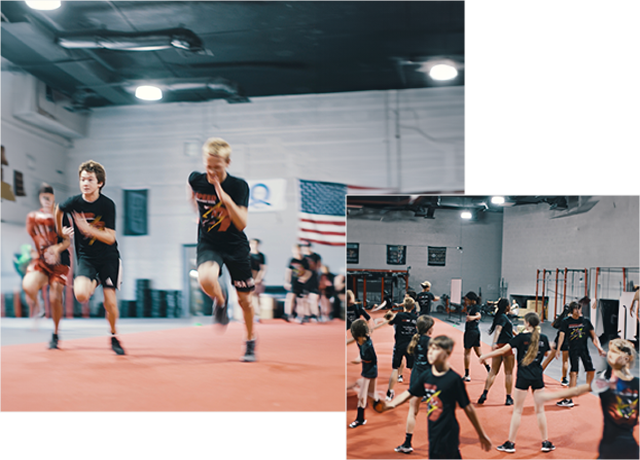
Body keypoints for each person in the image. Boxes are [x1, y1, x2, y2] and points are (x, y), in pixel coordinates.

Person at [188, 138, 256, 361]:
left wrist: (224, 197)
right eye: (208, 166)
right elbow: (193, 197)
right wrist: (199, 214)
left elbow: (242, 222)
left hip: (235, 245)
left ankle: (249, 341)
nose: (211, 171)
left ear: (227, 162)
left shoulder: (238, 186)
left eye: (216, 167)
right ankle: (220, 300)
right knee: (206, 278)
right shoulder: (196, 179)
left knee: (245, 301)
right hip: (210, 242)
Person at [376, 335, 492, 459]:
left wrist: (481, 434)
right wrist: (390, 405)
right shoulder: (426, 375)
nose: (430, 352)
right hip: (433, 431)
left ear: (446, 353)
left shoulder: (454, 379)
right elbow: (409, 393)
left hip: (448, 432)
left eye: (435, 349)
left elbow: (468, 408)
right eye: (429, 349)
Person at [56, 161, 125, 355]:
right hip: (87, 258)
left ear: (100, 183)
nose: (85, 183)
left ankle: (113, 336)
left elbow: (111, 237)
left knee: (110, 302)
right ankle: (94, 281)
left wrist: (88, 229)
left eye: (90, 180)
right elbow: (58, 209)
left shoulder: (107, 205)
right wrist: (60, 229)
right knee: (81, 295)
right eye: (82, 179)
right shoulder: (74, 202)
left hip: (108, 258)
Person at [536, 338, 638, 459]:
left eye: (614, 351)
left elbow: (578, 390)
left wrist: (548, 397)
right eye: (610, 351)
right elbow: (578, 390)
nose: (609, 353)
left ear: (626, 358)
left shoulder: (608, 384)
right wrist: (549, 396)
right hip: (622, 448)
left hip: (615, 448)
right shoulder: (607, 384)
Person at [479, 312, 556, 453]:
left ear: (527, 323)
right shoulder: (543, 338)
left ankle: (511, 443)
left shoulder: (520, 338)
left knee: (517, 411)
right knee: (540, 411)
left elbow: (503, 350)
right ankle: (546, 442)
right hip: (538, 376)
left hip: (523, 376)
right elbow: (547, 353)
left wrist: (486, 356)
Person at [24, 183, 72, 348]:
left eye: (49, 197)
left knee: (55, 296)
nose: (46, 200)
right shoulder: (34, 217)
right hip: (43, 261)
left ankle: (56, 334)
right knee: (28, 285)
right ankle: (39, 305)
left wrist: (56, 249)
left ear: (53, 198)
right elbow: (35, 240)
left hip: (60, 261)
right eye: (43, 197)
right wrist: (34, 254)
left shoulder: (61, 216)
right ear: (40, 199)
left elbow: (67, 241)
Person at [394, 315, 435, 454]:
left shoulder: (414, 340)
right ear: (430, 329)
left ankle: (407, 443)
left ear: (417, 328)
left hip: (417, 378)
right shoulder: (432, 343)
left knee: (413, 411)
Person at [554, 300, 606, 407]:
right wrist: (558, 348)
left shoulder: (585, 321)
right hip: (573, 350)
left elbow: (594, 336)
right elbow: (561, 336)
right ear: (572, 310)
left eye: (579, 308)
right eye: (576, 309)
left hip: (584, 349)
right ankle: (569, 399)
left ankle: (589, 387)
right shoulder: (566, 321)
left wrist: (599, 348)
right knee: (573, 373)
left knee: (590, 369)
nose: (578, 311)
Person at [478, 298, 516, 405]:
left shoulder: (501, 316)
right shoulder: (503, 318)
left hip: (499, 346)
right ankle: (508, 397)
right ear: (507, 306)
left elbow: (509, 330)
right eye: (509, 305)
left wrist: (520, 336)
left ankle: (484, 393)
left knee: (493, 371)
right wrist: (493, 343)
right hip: (505, 347)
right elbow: (498, 330)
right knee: (508, 373)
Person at [349, 318, 381, 428]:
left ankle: (360, 419)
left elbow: (372, 359)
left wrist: (359, 359)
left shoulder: (367, 344)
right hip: (366, 369)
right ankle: (379, 404)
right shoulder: (360, 340)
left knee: (362, 396)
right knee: (371, 394)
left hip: (370, 369)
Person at [384, 297, 418, 401]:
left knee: (395, 368)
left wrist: (389, 315)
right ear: (412, 307)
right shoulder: (415, 317)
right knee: (413, 369)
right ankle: (414, 391)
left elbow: (390, 322)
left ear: (404, 305)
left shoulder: (399, 316)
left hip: (399, 345)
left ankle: (389, 393)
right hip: (411, 346)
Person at [462, 291, 490, 382]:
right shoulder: (472, 307)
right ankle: (489, 369)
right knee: (479, 353)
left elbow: (479, 316)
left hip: (471, 332)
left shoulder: (476, 307)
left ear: (472, 300)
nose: (466, 301)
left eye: (467, 300)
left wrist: (472, 318)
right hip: (475, 332)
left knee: (467, 353)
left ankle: (467, 375)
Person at [542, 303, 572, 386]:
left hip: (558, 339)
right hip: (567, 340)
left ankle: (538, 374)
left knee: (549, 358)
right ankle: (564, 379)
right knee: (565, 361)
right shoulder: (571, 320)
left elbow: (554, 325)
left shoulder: (561, 318)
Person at [283, 243, 307, 322]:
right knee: (290, 297)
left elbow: (308, 272)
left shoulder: (304, 260)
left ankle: (301, 316)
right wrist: (287, 281)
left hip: (302, 282)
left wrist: (304, 279)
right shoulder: (292, 260)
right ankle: (289, 314)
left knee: (301, 300)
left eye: (298, 250)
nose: (297, 251)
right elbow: (288, 271)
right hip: (293, 282)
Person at [301, 241, 322, 322]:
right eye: (305, 247)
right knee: (305, 298)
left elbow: (318, 267)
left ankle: (315, 314)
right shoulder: (302, 257)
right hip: (304, 279)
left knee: (314, 297)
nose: (306, 248)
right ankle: (307, 314)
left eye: (308, 247)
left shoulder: (316, 256)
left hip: (313, 279)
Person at [249, 238, 267, 323]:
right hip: (249, 278)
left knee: (257, 297)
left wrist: (258, 278)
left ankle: (257, 315)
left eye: (256, 244)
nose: (254, 246)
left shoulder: (261, 256)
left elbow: (263, 269)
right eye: (252, 244)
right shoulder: (247, 255)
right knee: (248, 297)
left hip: (257, 279)